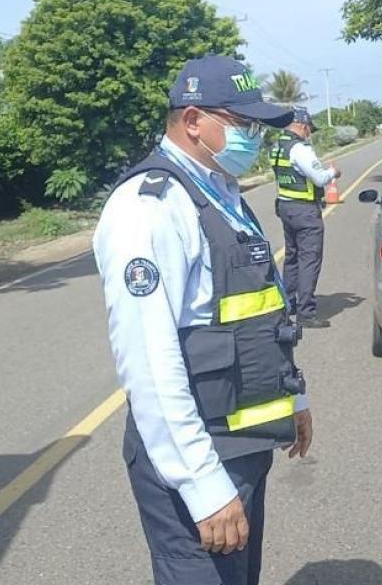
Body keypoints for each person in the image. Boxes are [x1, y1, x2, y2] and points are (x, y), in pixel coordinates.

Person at [94, 54, 312, 585]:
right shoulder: (149, 209)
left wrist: (295, 399)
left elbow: (262, 312)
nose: (254, 137)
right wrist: (203, 485)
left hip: (243, 445)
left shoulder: (219, 192)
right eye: (243, 124)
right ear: (193, 121)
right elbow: (150, 361)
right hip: (201, 457)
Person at [269, 107, 340, 329]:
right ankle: (306, 312)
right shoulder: (299, 149)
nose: (310, 133)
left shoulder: (277, 147)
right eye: (309, 128)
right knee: (309, 259)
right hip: (305, 211)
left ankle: (289, 303)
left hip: (286, 206)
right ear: (302, 126)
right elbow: (319, 178)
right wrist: (333, 173)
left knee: (291, 257)